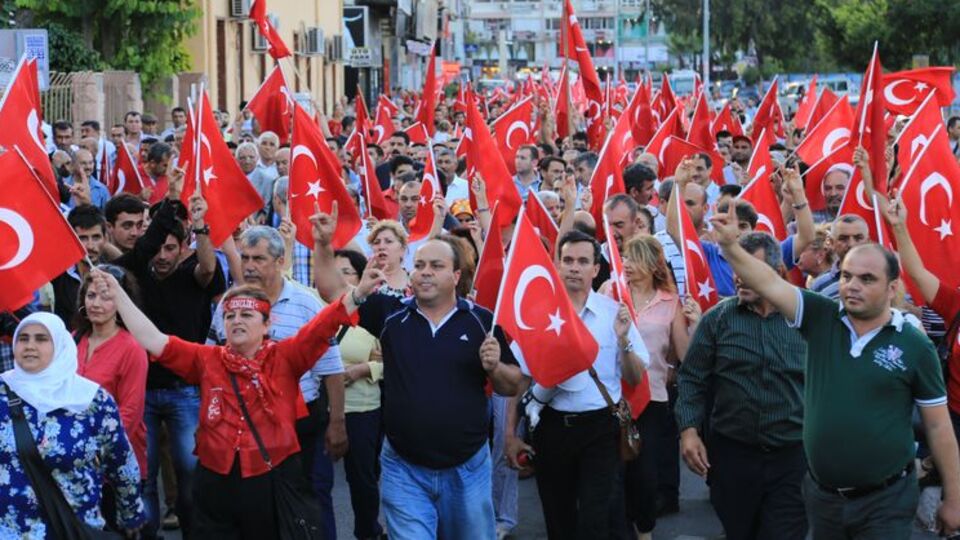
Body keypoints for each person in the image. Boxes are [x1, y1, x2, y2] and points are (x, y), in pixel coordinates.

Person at [709, 203, 960, 539]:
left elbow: (939, 426)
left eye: (867, 279)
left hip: (886, 502)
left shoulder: (915, 346)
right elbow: (767, 281)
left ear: (892, 288)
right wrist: (729, 246)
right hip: (822, 498)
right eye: (846, 275)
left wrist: (955, 500)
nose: (852, 285)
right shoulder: (820, 315)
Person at [96, 253, 376, 537]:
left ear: (267, 325)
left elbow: (324, 324)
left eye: (247, 314)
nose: (236, 321)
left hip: (270, 479)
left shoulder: (286, 356)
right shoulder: (206, 359)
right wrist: (117, 293)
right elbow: (154, 340)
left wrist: (360, 292)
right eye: (230, 316)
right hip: (216, 480)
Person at [313, 204, 523, 539]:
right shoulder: (391, 314)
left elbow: (512, 385)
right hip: (403, 468)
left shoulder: (482, 320)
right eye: (420, 265)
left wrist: (494, 366)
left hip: (467, 468)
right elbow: (333, 291)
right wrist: (323, 244)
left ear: (455, 276)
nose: (425, 272)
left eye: (436, 266)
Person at [506, 230, 649, 540]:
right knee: (559, 519)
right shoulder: (538, 314)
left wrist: (624, 339)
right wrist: (509, 434)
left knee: (594, 521)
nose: (574, 267)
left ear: (596, 269)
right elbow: (522, 380)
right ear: (557, 265)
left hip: (601, 428)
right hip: (552, 428)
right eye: (567, 260)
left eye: (583, 261)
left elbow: (635, 377)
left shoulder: (614, 314)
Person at [676, 232, 809, 540]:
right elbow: (692, 378)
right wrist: (689, 431)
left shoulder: (805, 319)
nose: (740, 278)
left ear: (775, 273)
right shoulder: (717, 320)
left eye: (750, 269)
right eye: (736, 268)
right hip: (733, 456)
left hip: (792, 457)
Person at [0, 313, 145, 537]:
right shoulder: (3, 391)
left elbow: (121, 461)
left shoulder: (91, 399)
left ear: (60, 345)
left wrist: (131, 514)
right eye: (23, 338)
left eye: (41, 339)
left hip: (73, 529)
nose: (30, 346)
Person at [611, 235, 696, 540]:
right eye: (625, 258)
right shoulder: (611, 292)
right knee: (613, 474)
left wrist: (694, 323)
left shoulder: (670, 302)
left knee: (644, 476)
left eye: (634, 258)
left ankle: (644, 531)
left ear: (652, 263)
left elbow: (685, 355)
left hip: (653, 399)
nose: (627, 265)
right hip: (612, 398)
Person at [74, 266, 149, 481]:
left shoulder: (132, 348)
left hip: (116, 460)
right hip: (76, 458)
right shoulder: (73, 340)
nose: (96, 304)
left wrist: (98, 449)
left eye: (106, 297)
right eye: (91, 295)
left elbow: (130, 412)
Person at [334, 249, 387, 539]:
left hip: (363, 408)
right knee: (316, 481)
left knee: (362, 480)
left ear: (360, 276)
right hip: (325, 409)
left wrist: (363, 369)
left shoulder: (375, 310)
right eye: (335, 271)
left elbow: (393, 361)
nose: (340, 278)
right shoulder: (320, 308)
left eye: (347, 272)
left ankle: (368, 532)